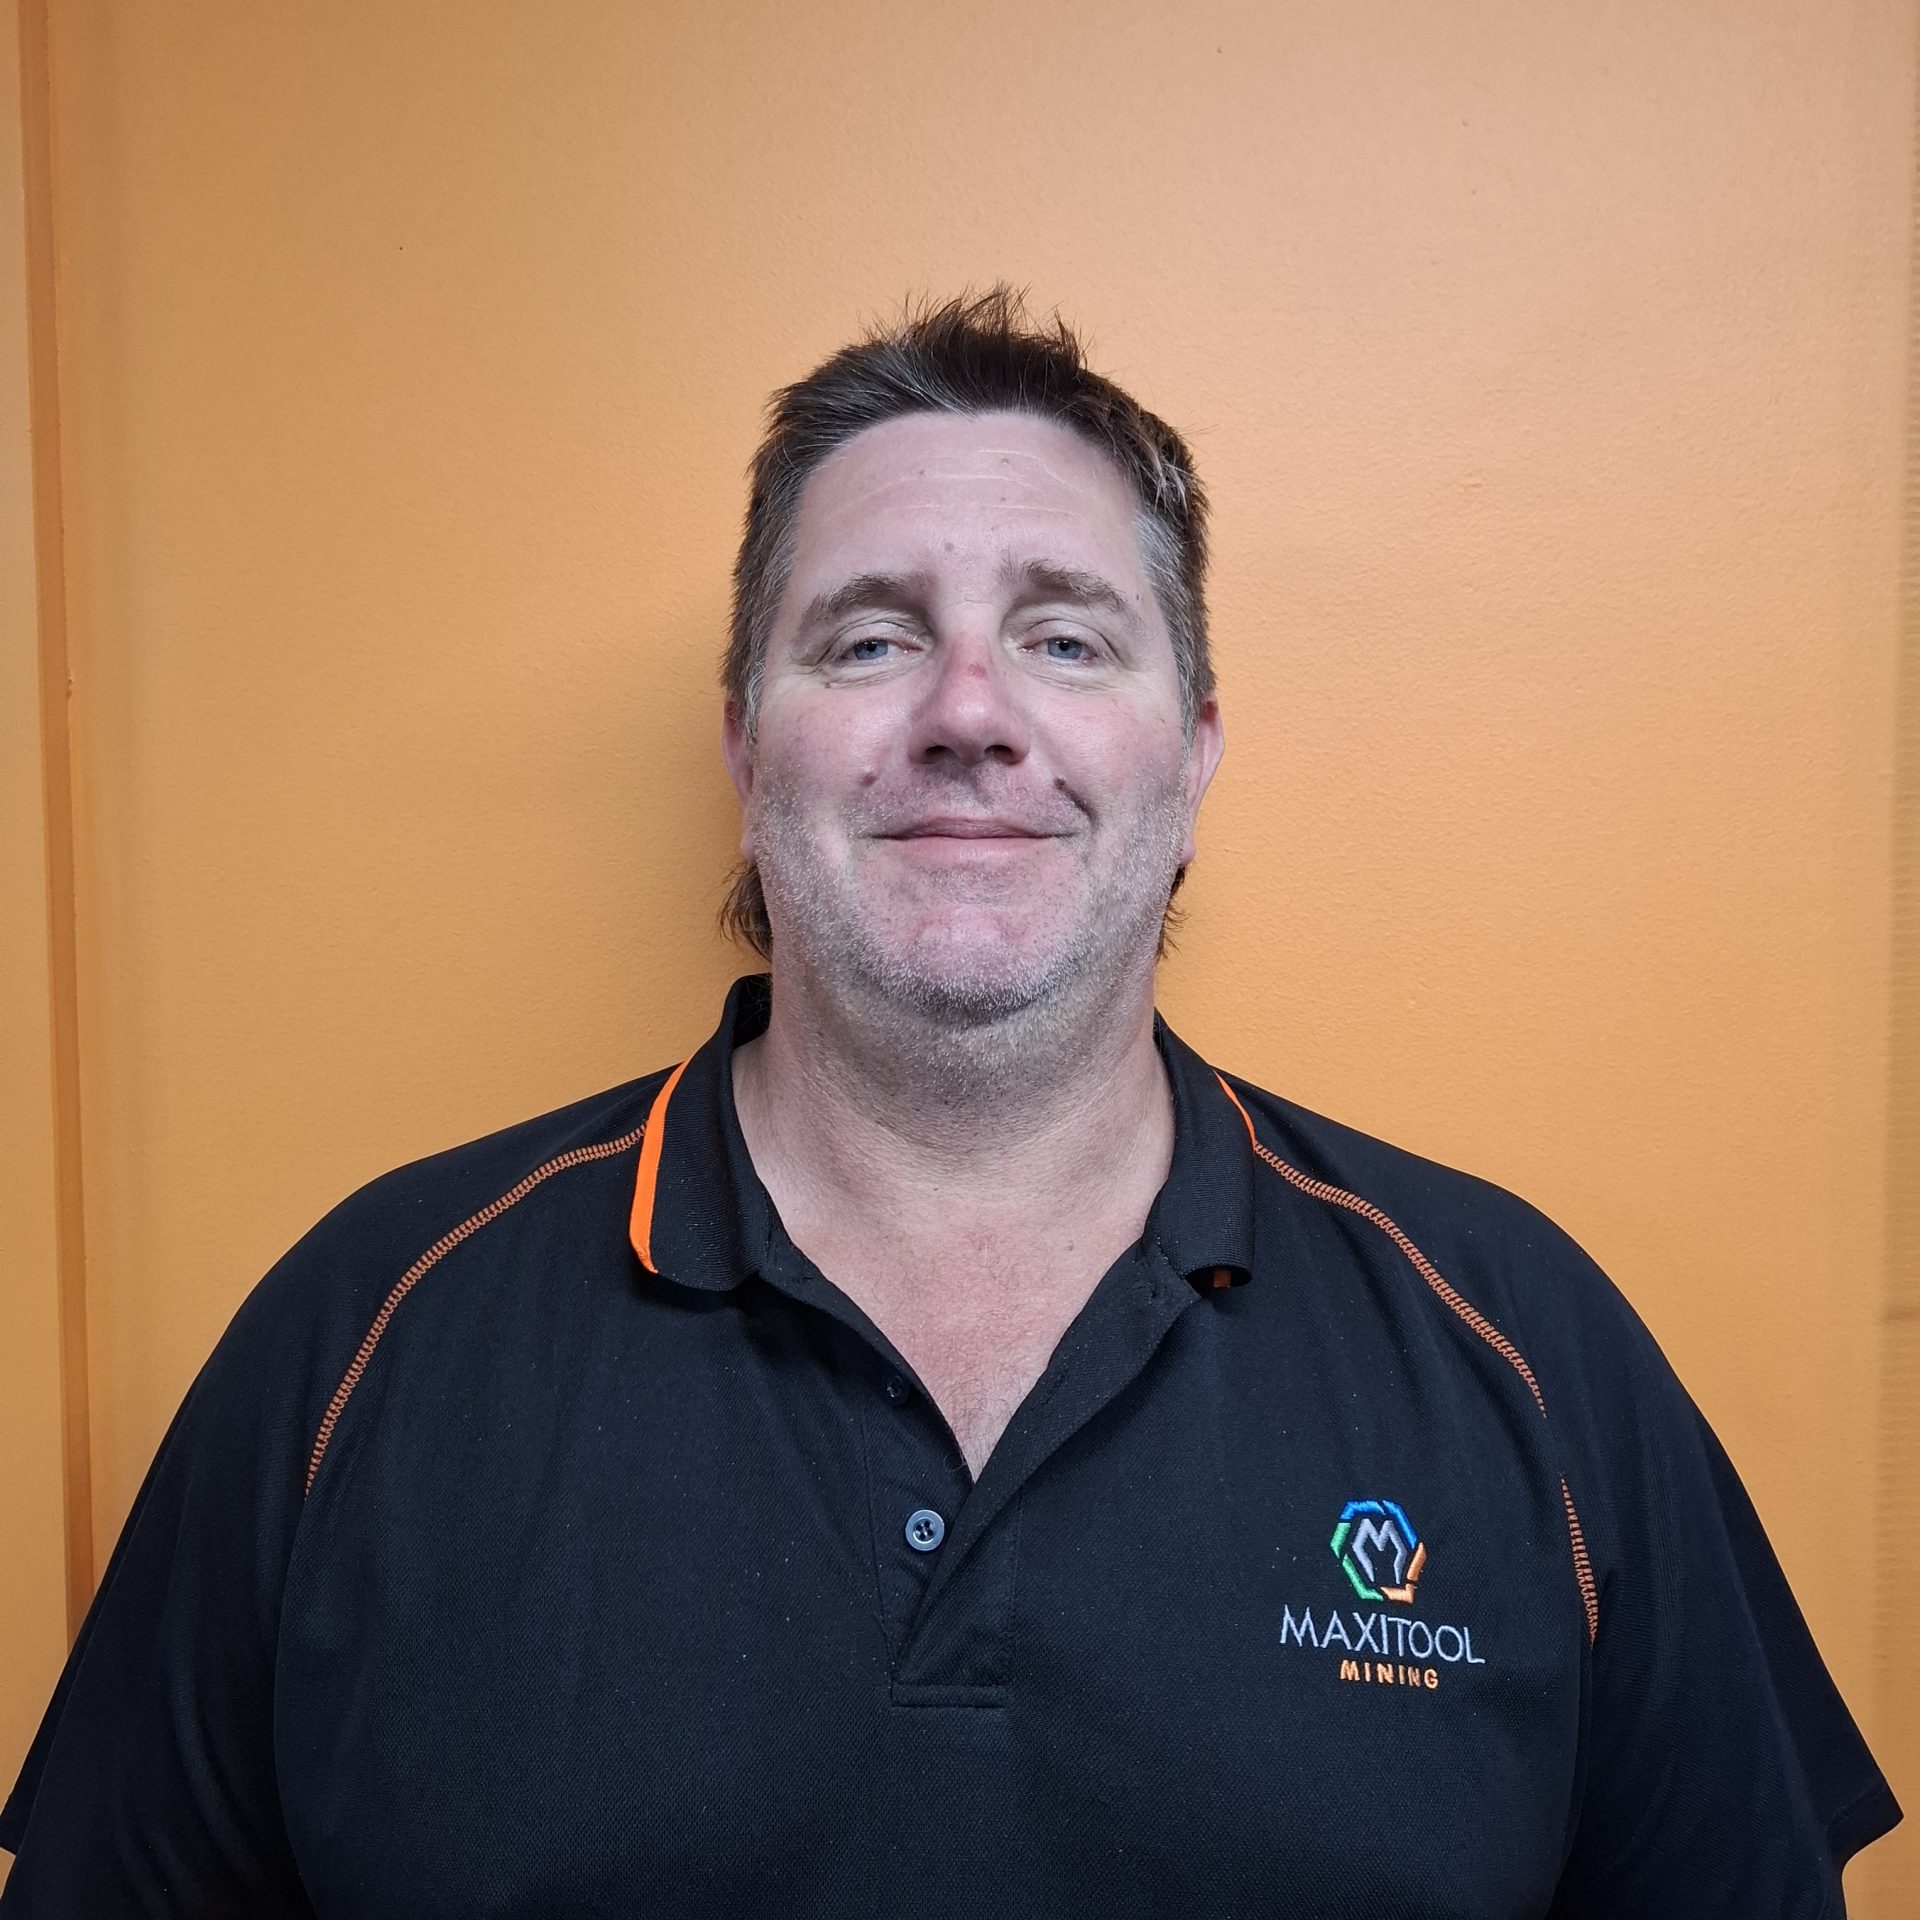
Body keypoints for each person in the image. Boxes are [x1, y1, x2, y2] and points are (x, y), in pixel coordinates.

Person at [0, 289, 1900, 1917]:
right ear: (746, 747)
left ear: (1193, 750)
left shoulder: (1525, 1352)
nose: (970, 713)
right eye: (870, 637)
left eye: (1067, 637)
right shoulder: (363, 1341)